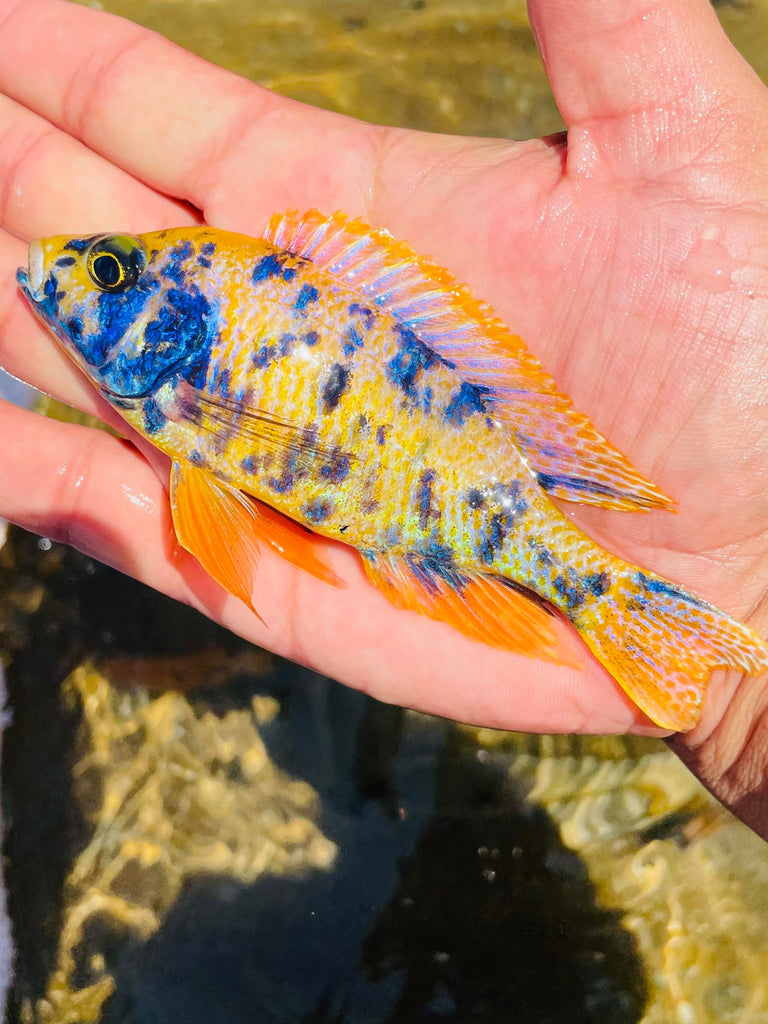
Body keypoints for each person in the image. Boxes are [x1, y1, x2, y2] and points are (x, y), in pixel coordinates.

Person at [0, 0, 767, 839]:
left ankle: (609, 600)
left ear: (174, 316)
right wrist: (737, 711)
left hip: (464, 498)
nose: (79, 271)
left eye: (108, 272)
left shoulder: (185, 379)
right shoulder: (183, 378)